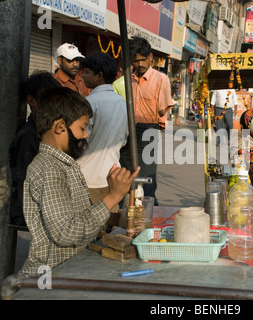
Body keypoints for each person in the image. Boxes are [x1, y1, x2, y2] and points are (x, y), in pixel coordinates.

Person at [21, 86, 140, 275]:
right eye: (82, 128)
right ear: (60, 127)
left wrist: (118, 218)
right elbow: (66, 232)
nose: (86, 135)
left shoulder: (66, 164)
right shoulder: (49, 169)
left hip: (70, 269)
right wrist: (113, 196)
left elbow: (79, 215)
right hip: (50, 275)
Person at [119, 36, 174, 205]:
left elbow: (163, 110)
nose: (140, 64)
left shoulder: (160, 79)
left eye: (143, 60)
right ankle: (125, 212)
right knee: (126, 175)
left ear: (150, 57)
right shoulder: (128, 78)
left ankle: (150, 212)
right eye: (136, 61)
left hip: (148, 130)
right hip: (127, 130)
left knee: (147, 177)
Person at [77, 52, 128, 214]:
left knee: (87, 228)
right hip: (112, 176)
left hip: (87, 178)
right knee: (108, 231)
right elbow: (124, 139)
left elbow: (79, 139)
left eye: (87, 72)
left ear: (99, 75)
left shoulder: (89, 102)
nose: (83, 76)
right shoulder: (123, 104)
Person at [8, 71, 61, 226]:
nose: (53, 106)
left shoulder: (49, 130)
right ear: (31, 100)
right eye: (47, 100)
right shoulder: (28, 135)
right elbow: (26, 179)